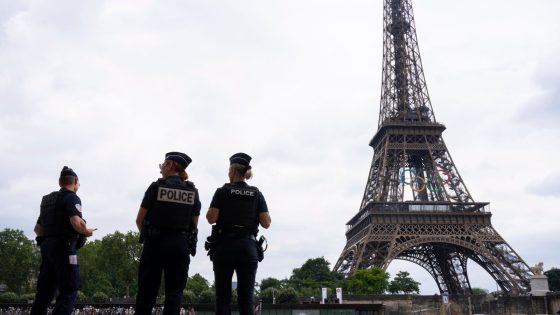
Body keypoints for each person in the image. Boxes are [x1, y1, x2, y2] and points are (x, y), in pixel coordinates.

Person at [135, 152, 201, 315]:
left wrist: (150, 235)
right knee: (174, 293)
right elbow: (194, 223)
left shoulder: (156, 187)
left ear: (170, 165)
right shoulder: (192, 191)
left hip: (155, 243)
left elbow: (139, 220)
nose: (160, 170)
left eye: (162, 165)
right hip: (180, 245)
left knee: (146, 291)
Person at [206, 153, 271, 315]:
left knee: (222, 296)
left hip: (224, 246)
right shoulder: (256, 194)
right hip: (247, 247)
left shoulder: (222, 192)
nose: (228, 173)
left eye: (229, 170)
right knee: (246, 297)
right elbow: (266, 223)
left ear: (233, 170)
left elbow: (211, 218)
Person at [31, 166, 95, 315]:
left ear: (60, 182)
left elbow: (37, 229)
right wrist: (86, 232)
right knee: (68, 291)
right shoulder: (72, 197)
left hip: (47, 249)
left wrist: (43, 243)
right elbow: (76, 222)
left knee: (44, 293)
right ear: (76, 182)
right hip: (65, 248)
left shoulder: (48, 200)